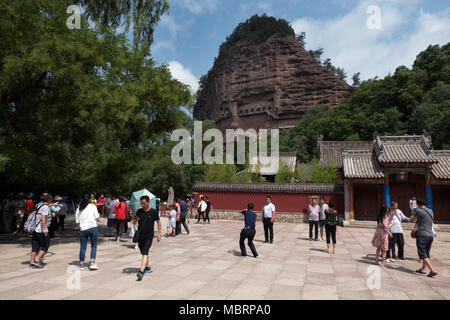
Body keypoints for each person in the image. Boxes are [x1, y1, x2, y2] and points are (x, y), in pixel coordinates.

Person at [135, 195, 161, 281]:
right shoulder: (139, 211)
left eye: (144, 203)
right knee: (143, 252)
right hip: (140, 235)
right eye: (141, 204)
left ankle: (141, 272)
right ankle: (148, 267)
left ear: (148, 202)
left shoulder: (153, 212)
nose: (142, 205)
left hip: (149, 236)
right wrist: (135, 219)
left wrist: (159, 234)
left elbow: (158, 222)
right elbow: (135, 222)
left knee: (145, 252)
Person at [410, 199, 438, 278]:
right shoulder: (431, 211)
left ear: (418, 205)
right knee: (426, 252)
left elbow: (412, 219)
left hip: (422, 234)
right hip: (430, 235)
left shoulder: (419, 211)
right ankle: (423, 269)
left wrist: (412, 213)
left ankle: (432, 270)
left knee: (422, 253)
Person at [75, 194, 100, 270]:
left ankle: (81, 264)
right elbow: (97, 217)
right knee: (93, 246)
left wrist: (81, 225)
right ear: (89, 199)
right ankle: (92, 262)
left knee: (83, 247)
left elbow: (77, 221)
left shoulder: (79, 208)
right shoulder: (93, 206)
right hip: (93, 227)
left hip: (83, 229)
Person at [30, 194, 52, 268]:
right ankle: (37, 260)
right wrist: (44, 229)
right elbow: (43, 218)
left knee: (35, 246)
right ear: (49, 200)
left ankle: (31, 262)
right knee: (45, 246)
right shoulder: (45, 207)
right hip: (41, 230)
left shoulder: (39, 205)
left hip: (35, 229)